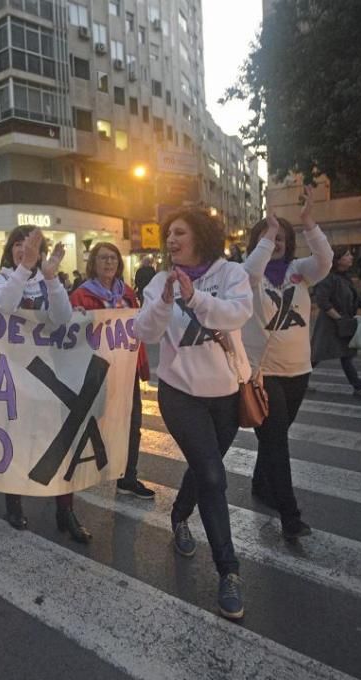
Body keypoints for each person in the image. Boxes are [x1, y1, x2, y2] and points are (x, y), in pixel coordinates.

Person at [134, 208, 252, 620]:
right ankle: (229, 572)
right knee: (213, 475)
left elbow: (238, 313)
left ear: (199, 235)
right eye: (168, 234)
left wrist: (196, 297)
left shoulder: (230, 273)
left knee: (205, 469)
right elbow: (144, 333)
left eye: (179, 232)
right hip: (180, 393)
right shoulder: (156, 281)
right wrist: (166, 300)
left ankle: (180, 516)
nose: (170, 240)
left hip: (226, 395)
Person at [0, 226, 90, 541]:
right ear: (10, 249)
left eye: (30, 245)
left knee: (60, 444)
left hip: (50, 374)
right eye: (18, 244)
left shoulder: (46, 279)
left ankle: (65, 510)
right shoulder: (1, 279)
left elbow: (62, 317)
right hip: (13, 373)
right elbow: (0, 309)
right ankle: (14, 501)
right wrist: (24, 269)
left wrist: (51, 278)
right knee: (17, 441)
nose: (23, 249)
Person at [242, 193, 332, 540]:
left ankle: (260, 484)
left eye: (281, 238)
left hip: (298, 371)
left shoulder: (299, 272)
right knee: (277, 439)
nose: (276, 243)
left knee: (276, 437)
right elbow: (252, 271)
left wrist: (309, 222)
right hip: (262, 373)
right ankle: (290, 516)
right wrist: (268, 234)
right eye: (268, 238)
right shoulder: (246, 273)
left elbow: (324, 260)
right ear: (257, 242)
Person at [70, 242, 155, 500]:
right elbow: (71, 332)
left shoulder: (126, 292)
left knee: (132, 425)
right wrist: (77, 316)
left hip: (126, 371)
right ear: (93, 263)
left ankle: (128, 477)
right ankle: (72, 474)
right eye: (103, 258)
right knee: (89, 424)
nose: (109, 263)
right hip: (97, 372)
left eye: (113, 258)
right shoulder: (81, 295)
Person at [311, 246, 361, 397]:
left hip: (344, 323)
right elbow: (323, 301)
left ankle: (358, 387)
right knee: (317, 355)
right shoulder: (328, 277)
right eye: (347, 255)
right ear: (338, 260)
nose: (351, 258)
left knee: (347, 356)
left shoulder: (345, 277)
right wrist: (339, 318)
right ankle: (299, 381)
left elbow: (358, 300)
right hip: (330, 325)